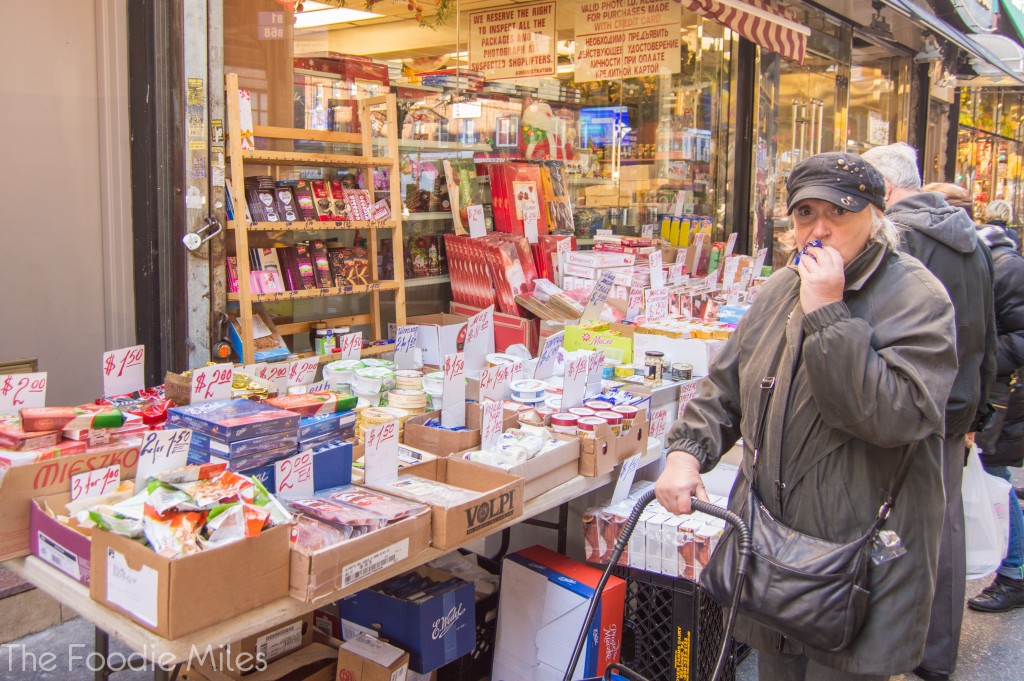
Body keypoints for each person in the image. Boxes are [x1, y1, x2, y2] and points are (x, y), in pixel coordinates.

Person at [656, 152, 957, 681]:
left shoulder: (917, 297)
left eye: (837, 213)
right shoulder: (779, 289)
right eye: (804, 215)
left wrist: (828, 313)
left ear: (875, 212)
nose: (818, 230)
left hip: (856, 561)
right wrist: (686, 452)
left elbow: (893, 417)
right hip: (771, 550)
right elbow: (726, 387)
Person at [863, 143, 996, 681]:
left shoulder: (901, 237)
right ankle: (934, 652)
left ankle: (897, 649)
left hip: (912, 394)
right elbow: (985, 327)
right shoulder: (969, 236)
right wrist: (978, 408)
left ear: (887, 191)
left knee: (898, 524)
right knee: (943, 525)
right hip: (956, 398)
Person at [966, 203, 1024, 613]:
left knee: (994, 478)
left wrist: (976, 357)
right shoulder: (979, 260)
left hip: (997, 396)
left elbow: (1019, 339)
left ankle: (1016, 571)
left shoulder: (1005, 266)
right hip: (986, 391)